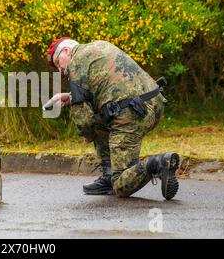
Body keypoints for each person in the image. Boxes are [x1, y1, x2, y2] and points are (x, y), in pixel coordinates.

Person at [47, 38, 180, 199]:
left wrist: (87, 135)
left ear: (67, 51)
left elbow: (82, 118)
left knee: (121, 186)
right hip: (155, 102)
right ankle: (107, 176)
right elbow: (109, 85)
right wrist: (70, 96)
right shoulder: (99, 46)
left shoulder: (76, 63)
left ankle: (157, 163)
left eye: (57, 62)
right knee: (99, 121)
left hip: (130, 114)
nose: (60, 69)